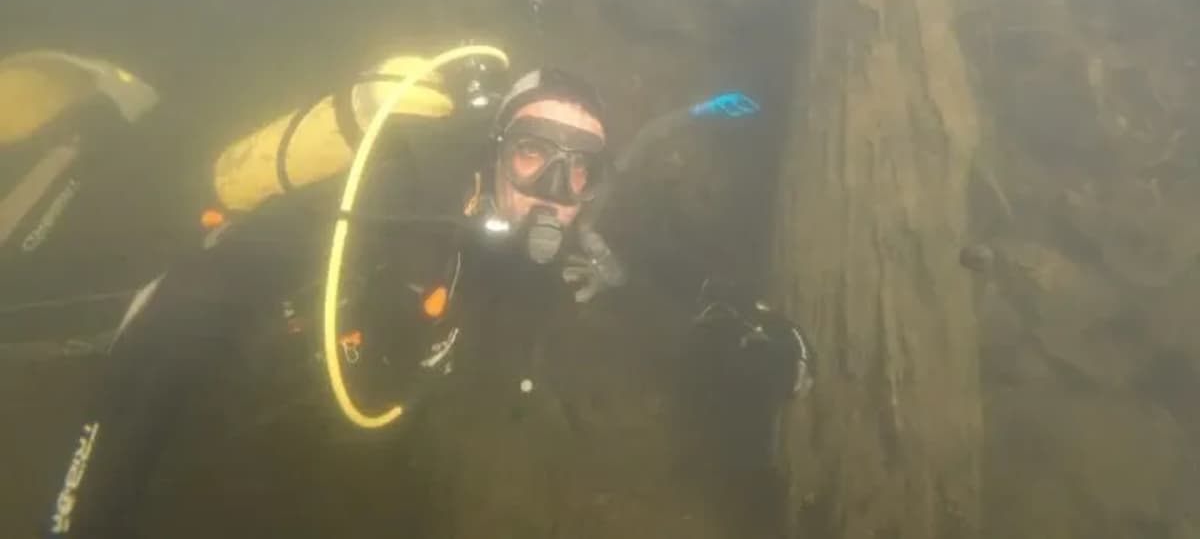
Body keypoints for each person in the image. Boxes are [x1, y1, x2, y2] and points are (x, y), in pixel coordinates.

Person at [25, 48, 809, 539]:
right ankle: (92, 137)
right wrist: (86, 507)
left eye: (579, 172)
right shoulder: (392, 200)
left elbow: (650, 267)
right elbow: (194, 301)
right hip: (177, 323)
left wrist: (735, 321)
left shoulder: (554, 239)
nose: (555, 193)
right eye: (535, 156)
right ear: (493, 153)